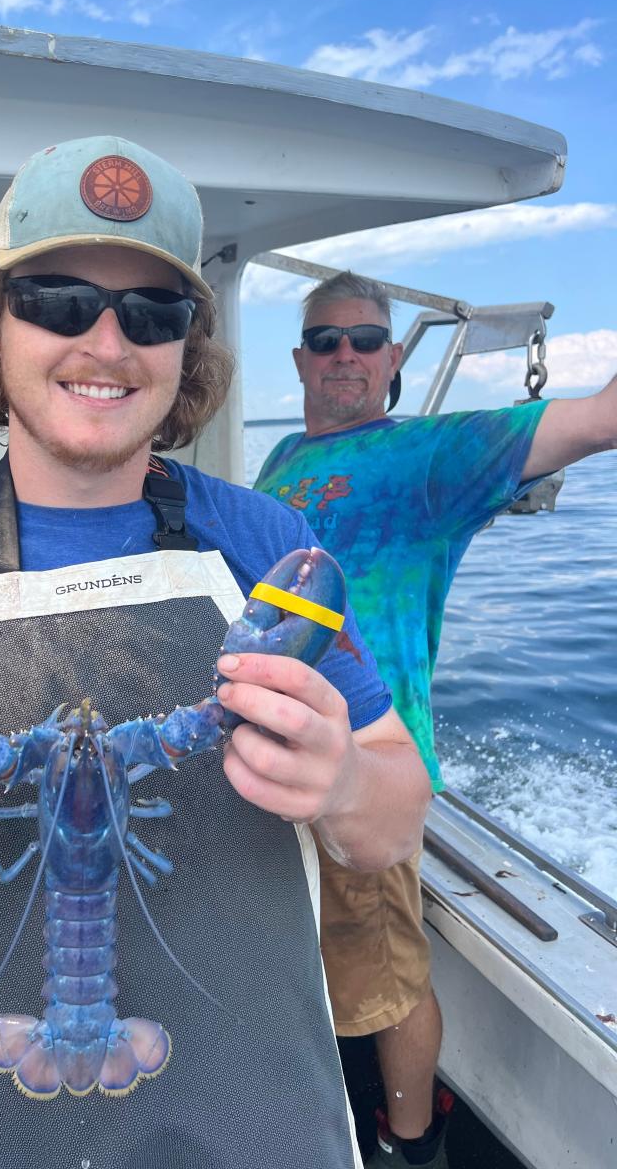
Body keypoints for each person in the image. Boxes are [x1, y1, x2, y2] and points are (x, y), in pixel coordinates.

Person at [0, 137, 430, 1169]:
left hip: (260, 1109)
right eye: (59, 299)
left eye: (153, 313)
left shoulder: (264, 544)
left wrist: (340, 778)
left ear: (185, 346)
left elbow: (391, 819)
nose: (107, 343)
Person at [254, 269, 617, 1169]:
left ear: (393, 364)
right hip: (266, 762)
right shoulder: (279, 464)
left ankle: (410, 1143)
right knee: (298, 965)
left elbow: (600, 418)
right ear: (300, 358)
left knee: (386, 984)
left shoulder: (433, 457)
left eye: (366, 340)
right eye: (328, 339)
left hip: (365, 771)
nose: (346, 355)